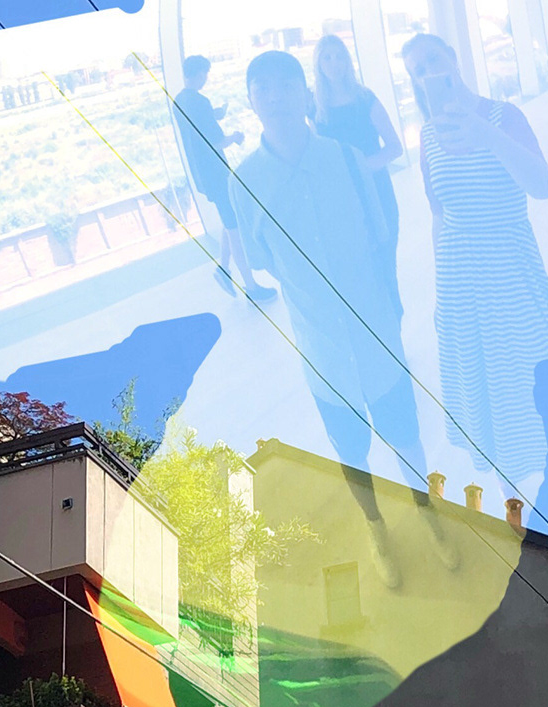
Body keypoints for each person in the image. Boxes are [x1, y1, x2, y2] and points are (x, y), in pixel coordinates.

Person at [235, 49, 435, 588]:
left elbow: (379, 232)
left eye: (285, 84)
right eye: (262, 87)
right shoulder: (245, 180)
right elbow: (261, 258)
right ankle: (376, 528)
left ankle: (429, 514)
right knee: (351, 448)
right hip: (321, 346)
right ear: (251, 101)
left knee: (404, 430)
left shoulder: (345, 158)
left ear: (305, 93)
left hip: (374, 333)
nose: (275, 96)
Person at [401, 31, 548, 494]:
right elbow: (439, 214)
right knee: (484, 389)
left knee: (532, 377)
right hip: (460, 278)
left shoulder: (503, 116)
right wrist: (440, 294)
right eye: (418, 70)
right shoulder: (428, 136)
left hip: (510, 267)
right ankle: (510, 497)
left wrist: (486, 134)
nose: (429, 72)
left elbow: (541, 185)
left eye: (433, 59)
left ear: (453, 57)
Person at [314, 33, 405, 312]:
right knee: (359, 271)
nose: (334, 63)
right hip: (341, 199)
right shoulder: (316, 107)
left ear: (348, 60)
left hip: (376, 192)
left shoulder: (365, 99)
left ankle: (394, 322)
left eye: (339, 56)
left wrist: (362, 168)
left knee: (386, 264)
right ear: (318, 64)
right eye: (327, 58)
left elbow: (395, 147)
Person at [174, 54, 274, 301]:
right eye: (205, 73)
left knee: (230, 221)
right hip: (217, 173)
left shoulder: (180, 100)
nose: (206, 78)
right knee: (234, 228)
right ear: (200, 73)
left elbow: (199, 126)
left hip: (202, 175)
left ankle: (224, 268)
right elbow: (215, 141)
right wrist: (236, 137)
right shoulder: (199, 101)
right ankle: (251, 286)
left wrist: (218, 113)